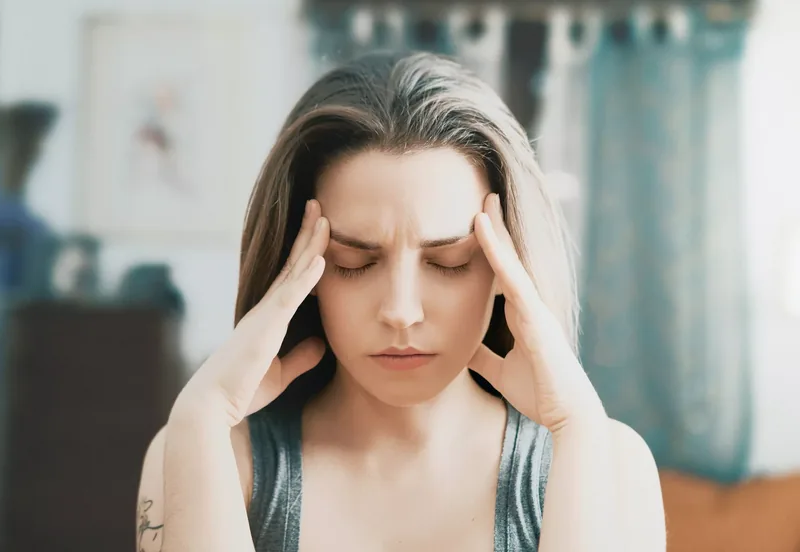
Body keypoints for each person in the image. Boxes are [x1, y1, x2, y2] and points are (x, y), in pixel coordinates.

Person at [136, 51, 666, 552]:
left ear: (509, 269)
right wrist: (202, 417)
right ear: (299, 273)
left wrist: (576, 432)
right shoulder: (210, 451)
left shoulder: (609, 464)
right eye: (353, 261)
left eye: (450, 261)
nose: (401, 311)